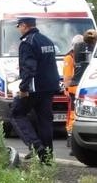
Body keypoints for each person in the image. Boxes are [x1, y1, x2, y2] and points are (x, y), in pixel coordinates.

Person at [10, 16, 60, 162]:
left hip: (34, 87)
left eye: (19, 26)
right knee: (45, 120)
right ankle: (47, 156)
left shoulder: (28, 43)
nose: (19, 29)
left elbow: (29, 67)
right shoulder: (47, 41)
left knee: (17, 113)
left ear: (25, 26)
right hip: (49, 87)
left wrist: (23, 88)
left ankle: (36, 146)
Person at [63, 34, 84, 148]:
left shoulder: (84, 56)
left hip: (82, 91)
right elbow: (67, 78)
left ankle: (74, 138)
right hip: (74, 91)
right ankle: (71, 138)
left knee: (76, 115)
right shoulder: (69, 58)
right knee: (72, 115)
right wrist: (68, 89)